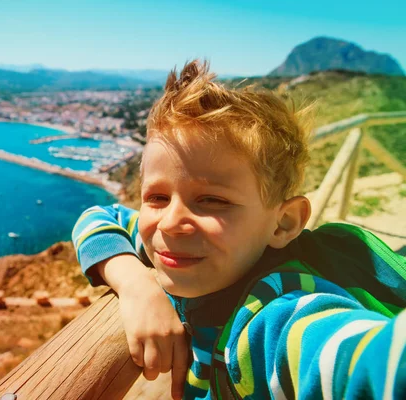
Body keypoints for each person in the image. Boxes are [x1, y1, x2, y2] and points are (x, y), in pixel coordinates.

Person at [71, 60, 406, 400]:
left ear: (284, 222)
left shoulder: (276, 318)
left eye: (212, 201)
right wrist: (134, 283)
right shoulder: (169, 242)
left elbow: (361, 363)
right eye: (157, 196)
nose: (171, 221)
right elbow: (99, 216)